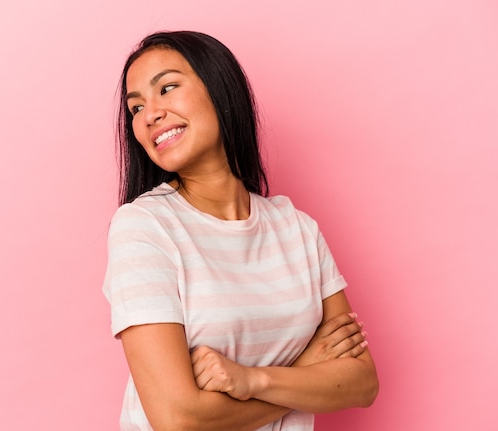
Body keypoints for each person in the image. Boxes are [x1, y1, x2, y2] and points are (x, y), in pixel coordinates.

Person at [103, 30, 379, 431]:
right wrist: (305, 372)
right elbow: (178, 419)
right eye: (136, 107)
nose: (149, 115)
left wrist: (252, 379)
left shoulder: (296, 229)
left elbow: (362, 383)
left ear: (220, 89)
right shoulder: (144, 227)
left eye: (167, 88)